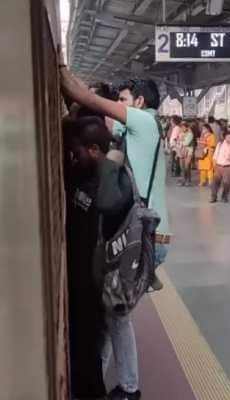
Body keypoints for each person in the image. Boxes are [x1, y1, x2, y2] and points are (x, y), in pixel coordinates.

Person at [64, 116, 134, 400]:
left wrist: (110, 163)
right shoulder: (82, 171)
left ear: (94, 150)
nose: (74, 157)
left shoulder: (116, 179)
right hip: (81, 276)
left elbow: (106, 204)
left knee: (92, 342)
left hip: (98, 280)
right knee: (87, 343)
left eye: (78, 151)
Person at [210, 132, 230, 203]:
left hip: (227, 167)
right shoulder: (220, 144)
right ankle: (213, 197)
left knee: (227, 183)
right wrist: (214, 165)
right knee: (215, 183)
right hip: (218, 166)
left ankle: (224, 197)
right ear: (225, 137)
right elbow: (215, 155)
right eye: (229, 137)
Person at [178, 121, 195, 186]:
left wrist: (181, 141)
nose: (182, 128)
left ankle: (188, 180)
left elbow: (186, 143)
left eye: (183, 127)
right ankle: (183, 180)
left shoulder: (190, 134)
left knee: (187, 166)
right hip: (181, 152)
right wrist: (180, 142)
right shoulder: (180, 133)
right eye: (181, 127)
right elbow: (178, 142)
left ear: (186, 127)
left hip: (188, 152)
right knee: (182, 167)